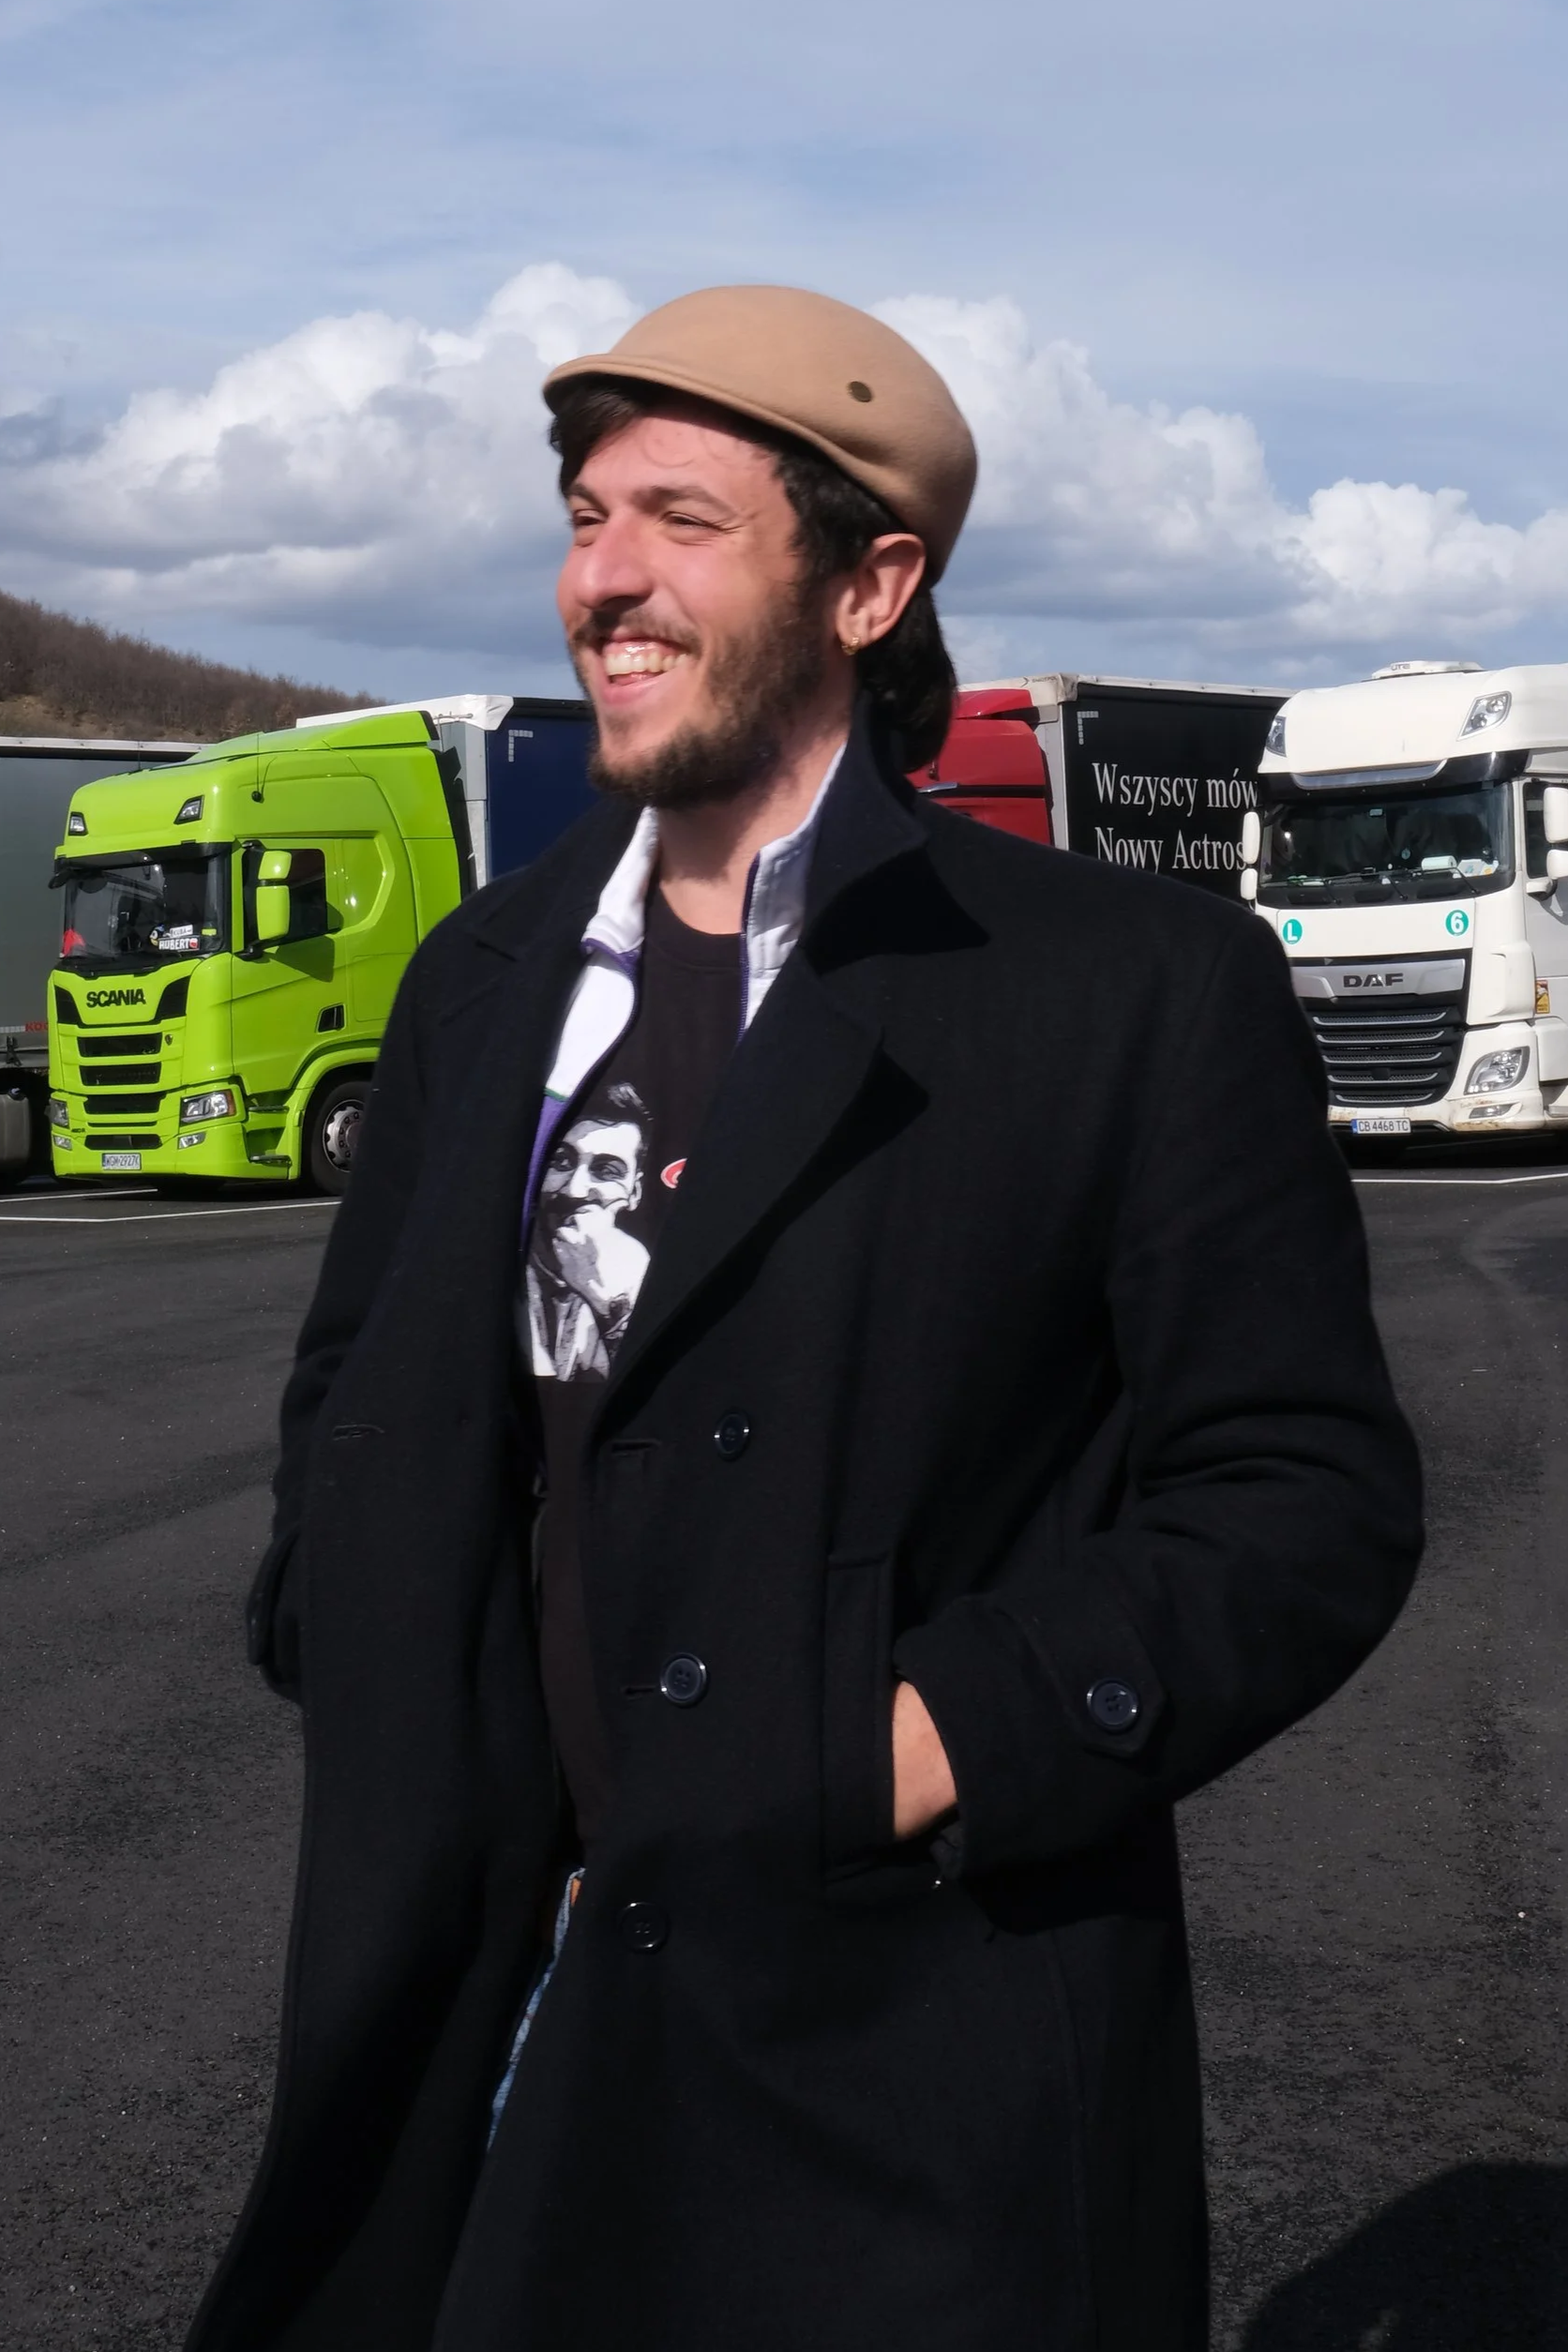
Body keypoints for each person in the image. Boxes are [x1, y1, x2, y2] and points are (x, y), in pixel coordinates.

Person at [188, 286, 1422, 2352]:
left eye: (680, 520)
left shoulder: (1124, 987)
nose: (603, 580)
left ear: (868, 586)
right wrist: (346, 1617)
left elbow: (1302, 1496)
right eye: (586, 519)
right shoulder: (478, 982)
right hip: (481, 1992)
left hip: (894, 2030)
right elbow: (357, 1384)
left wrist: (925, 1747)